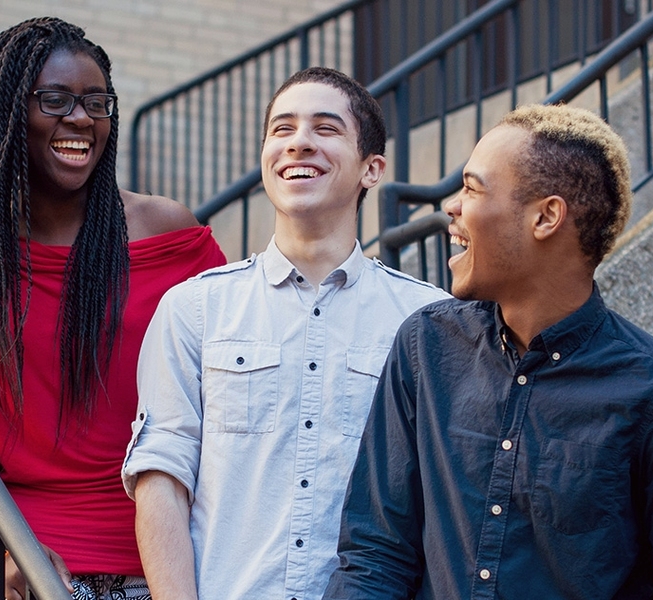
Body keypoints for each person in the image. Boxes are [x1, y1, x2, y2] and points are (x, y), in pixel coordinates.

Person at [322, 104, 653, 599]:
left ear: (546, 217)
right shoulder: (425, 346)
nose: (451, 206)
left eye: (472, 188)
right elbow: (375, 554)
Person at [0, 17, 226, 600]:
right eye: (54, 99)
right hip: (27, 558)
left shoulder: (169, 233)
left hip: (165, 553)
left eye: (95, 101)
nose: (80, 118)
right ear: (5, 114)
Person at [121, 66, 450, 600]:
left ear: (372, 169)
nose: (299, 143)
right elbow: (162, 476)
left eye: (325, 129)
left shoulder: (427, 320)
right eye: (282, 129)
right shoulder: (194, 308)